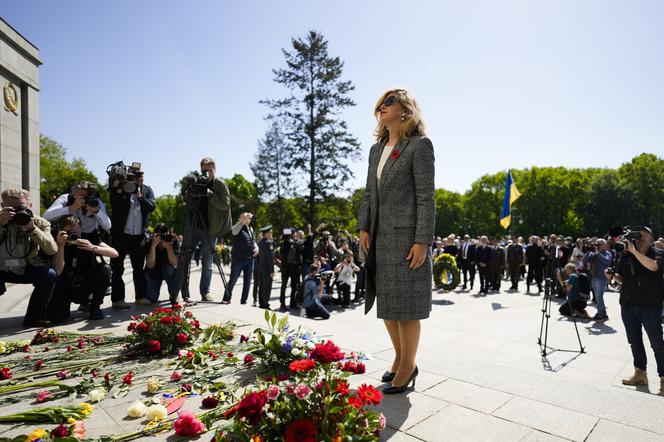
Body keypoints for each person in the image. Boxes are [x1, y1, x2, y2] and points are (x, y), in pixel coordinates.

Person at [358, 88, 435, 394]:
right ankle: (403, 360)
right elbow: (368, 192)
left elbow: (426, 198)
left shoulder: (419, 146)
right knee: (388, 307)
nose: (383, 106)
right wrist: (363, 226)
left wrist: (422, 240)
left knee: (407, 308)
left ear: (405, 111)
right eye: (381, 102)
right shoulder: (376, 149)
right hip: (378, 238)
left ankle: (407, 367)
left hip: (406, 241)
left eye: (390, 102)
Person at [608, 226, 664, 393]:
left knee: (657, 344)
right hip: (628, 304)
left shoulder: (658, 252)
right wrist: (612, 277)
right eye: (638, 234)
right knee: (634, 341)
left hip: (649, 305)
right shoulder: (626, 255)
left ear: (651, 238)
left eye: (644, 234)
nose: (640, 237)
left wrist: (635, 252)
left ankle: (663, 378)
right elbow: (623, 280)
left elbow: (654, 267)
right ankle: (640, 373)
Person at [177, 157, 232, 303]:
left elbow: (225, 205)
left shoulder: (219, 184)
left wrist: (209, 193)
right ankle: (181, 291)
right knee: (185, 258)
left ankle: (205, 292)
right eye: (203, 169)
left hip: (210, 229)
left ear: (214, 168)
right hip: (193, 225)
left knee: (207, 262)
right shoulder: (195, 180)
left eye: (208, 169)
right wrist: (187, 192)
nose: (205, 172)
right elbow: (185, 200)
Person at [0, 188, 58, 327]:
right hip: (1, 269)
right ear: (3, 206)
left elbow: (52, 249)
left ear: (30, 206)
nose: (17, 213)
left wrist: (33, 230)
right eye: (11, 209)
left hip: (27, 267)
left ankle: (34, 317)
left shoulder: (40, 223)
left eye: (21, 208)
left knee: (49, 275)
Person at [48, 216, 117, 322]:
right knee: (56, 318)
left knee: (105, 269)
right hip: (65, 286)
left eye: (76, 229)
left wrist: (92, 247)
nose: (74, 233)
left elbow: (114, 253)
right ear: (61, 231)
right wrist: (61, 245)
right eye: (69, 231)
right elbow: (57, 271)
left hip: (86, 284)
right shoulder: (55, 242)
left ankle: (95, 306)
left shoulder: (87, 239)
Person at [108, 164, 155, 308]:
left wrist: (139, 197)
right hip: (121, 234)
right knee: (117, 268)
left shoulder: (147, 190)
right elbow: (115, 207)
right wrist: (119, 190)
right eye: (135, 175)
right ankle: (117, 300)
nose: (138, 178)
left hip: (139, 235)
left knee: (138, 268)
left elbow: (151, 207)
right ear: (129, 176)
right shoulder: (121, 188)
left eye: (140, 175)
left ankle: (140, 296)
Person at [43, 181, 111, 243]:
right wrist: (71, 208)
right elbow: (46, 216)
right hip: (68, 236)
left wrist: (97, 211)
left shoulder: (96, 203)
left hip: (88, 238)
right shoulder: (66, 198)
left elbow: (107, 226)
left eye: (85, 197)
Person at [222, 212, 258, 304]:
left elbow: (253, 241)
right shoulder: (237, 227)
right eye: (244, 217)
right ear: (239, 219)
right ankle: (226, 298)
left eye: (248, 218)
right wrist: (242, 221)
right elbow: (233, 231)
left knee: (248, 281)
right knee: (233, 279)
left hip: (250, 259)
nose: (247, 219)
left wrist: (257, 248)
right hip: (238, 259)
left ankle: (244, 301)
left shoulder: (251, 229)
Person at [145, 223, 179, 303]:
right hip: (154, 272)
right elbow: (150, 265)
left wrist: (168, 247)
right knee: (152, 298)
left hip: (168, 271)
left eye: (164, 235)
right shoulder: (150, 242)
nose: (163, 238)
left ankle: (174, 294)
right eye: (160, 236)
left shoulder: (172, 240)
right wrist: (153, 246)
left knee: (170, 269)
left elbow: (174, 263)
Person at [584, 238, 612, 321]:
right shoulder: (592, 253)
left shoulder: (608, 253)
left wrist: (597, 253)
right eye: (596, 244)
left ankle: (601, 314)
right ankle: (603, 314)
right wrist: (589, 252)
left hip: (602, 278)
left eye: (599, 244)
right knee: (597, 298)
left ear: (604, 245)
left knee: (599, 297)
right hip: (593, 277)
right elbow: (584, 261)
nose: (597, 246)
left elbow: (606, 261)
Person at [278, 228, 303, 310]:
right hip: (286, 267)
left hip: (294, 267)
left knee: (294, 286)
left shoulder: (294, 242)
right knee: (284, 286)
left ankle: (293, 303)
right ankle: (282, 304)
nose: (295, 235)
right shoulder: (285, 242)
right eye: (294, 233)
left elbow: (300, 247)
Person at [257, 225, 275, 310]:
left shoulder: (260, 243)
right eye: (270, 232)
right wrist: (272, 270)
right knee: (267, 286)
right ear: (266, 234)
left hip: (261, 267)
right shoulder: (268, 243)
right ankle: (265, 304)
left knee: (261, 285)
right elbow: (270, 258)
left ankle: (261, 302)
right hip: (267, 268)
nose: (271, 233)